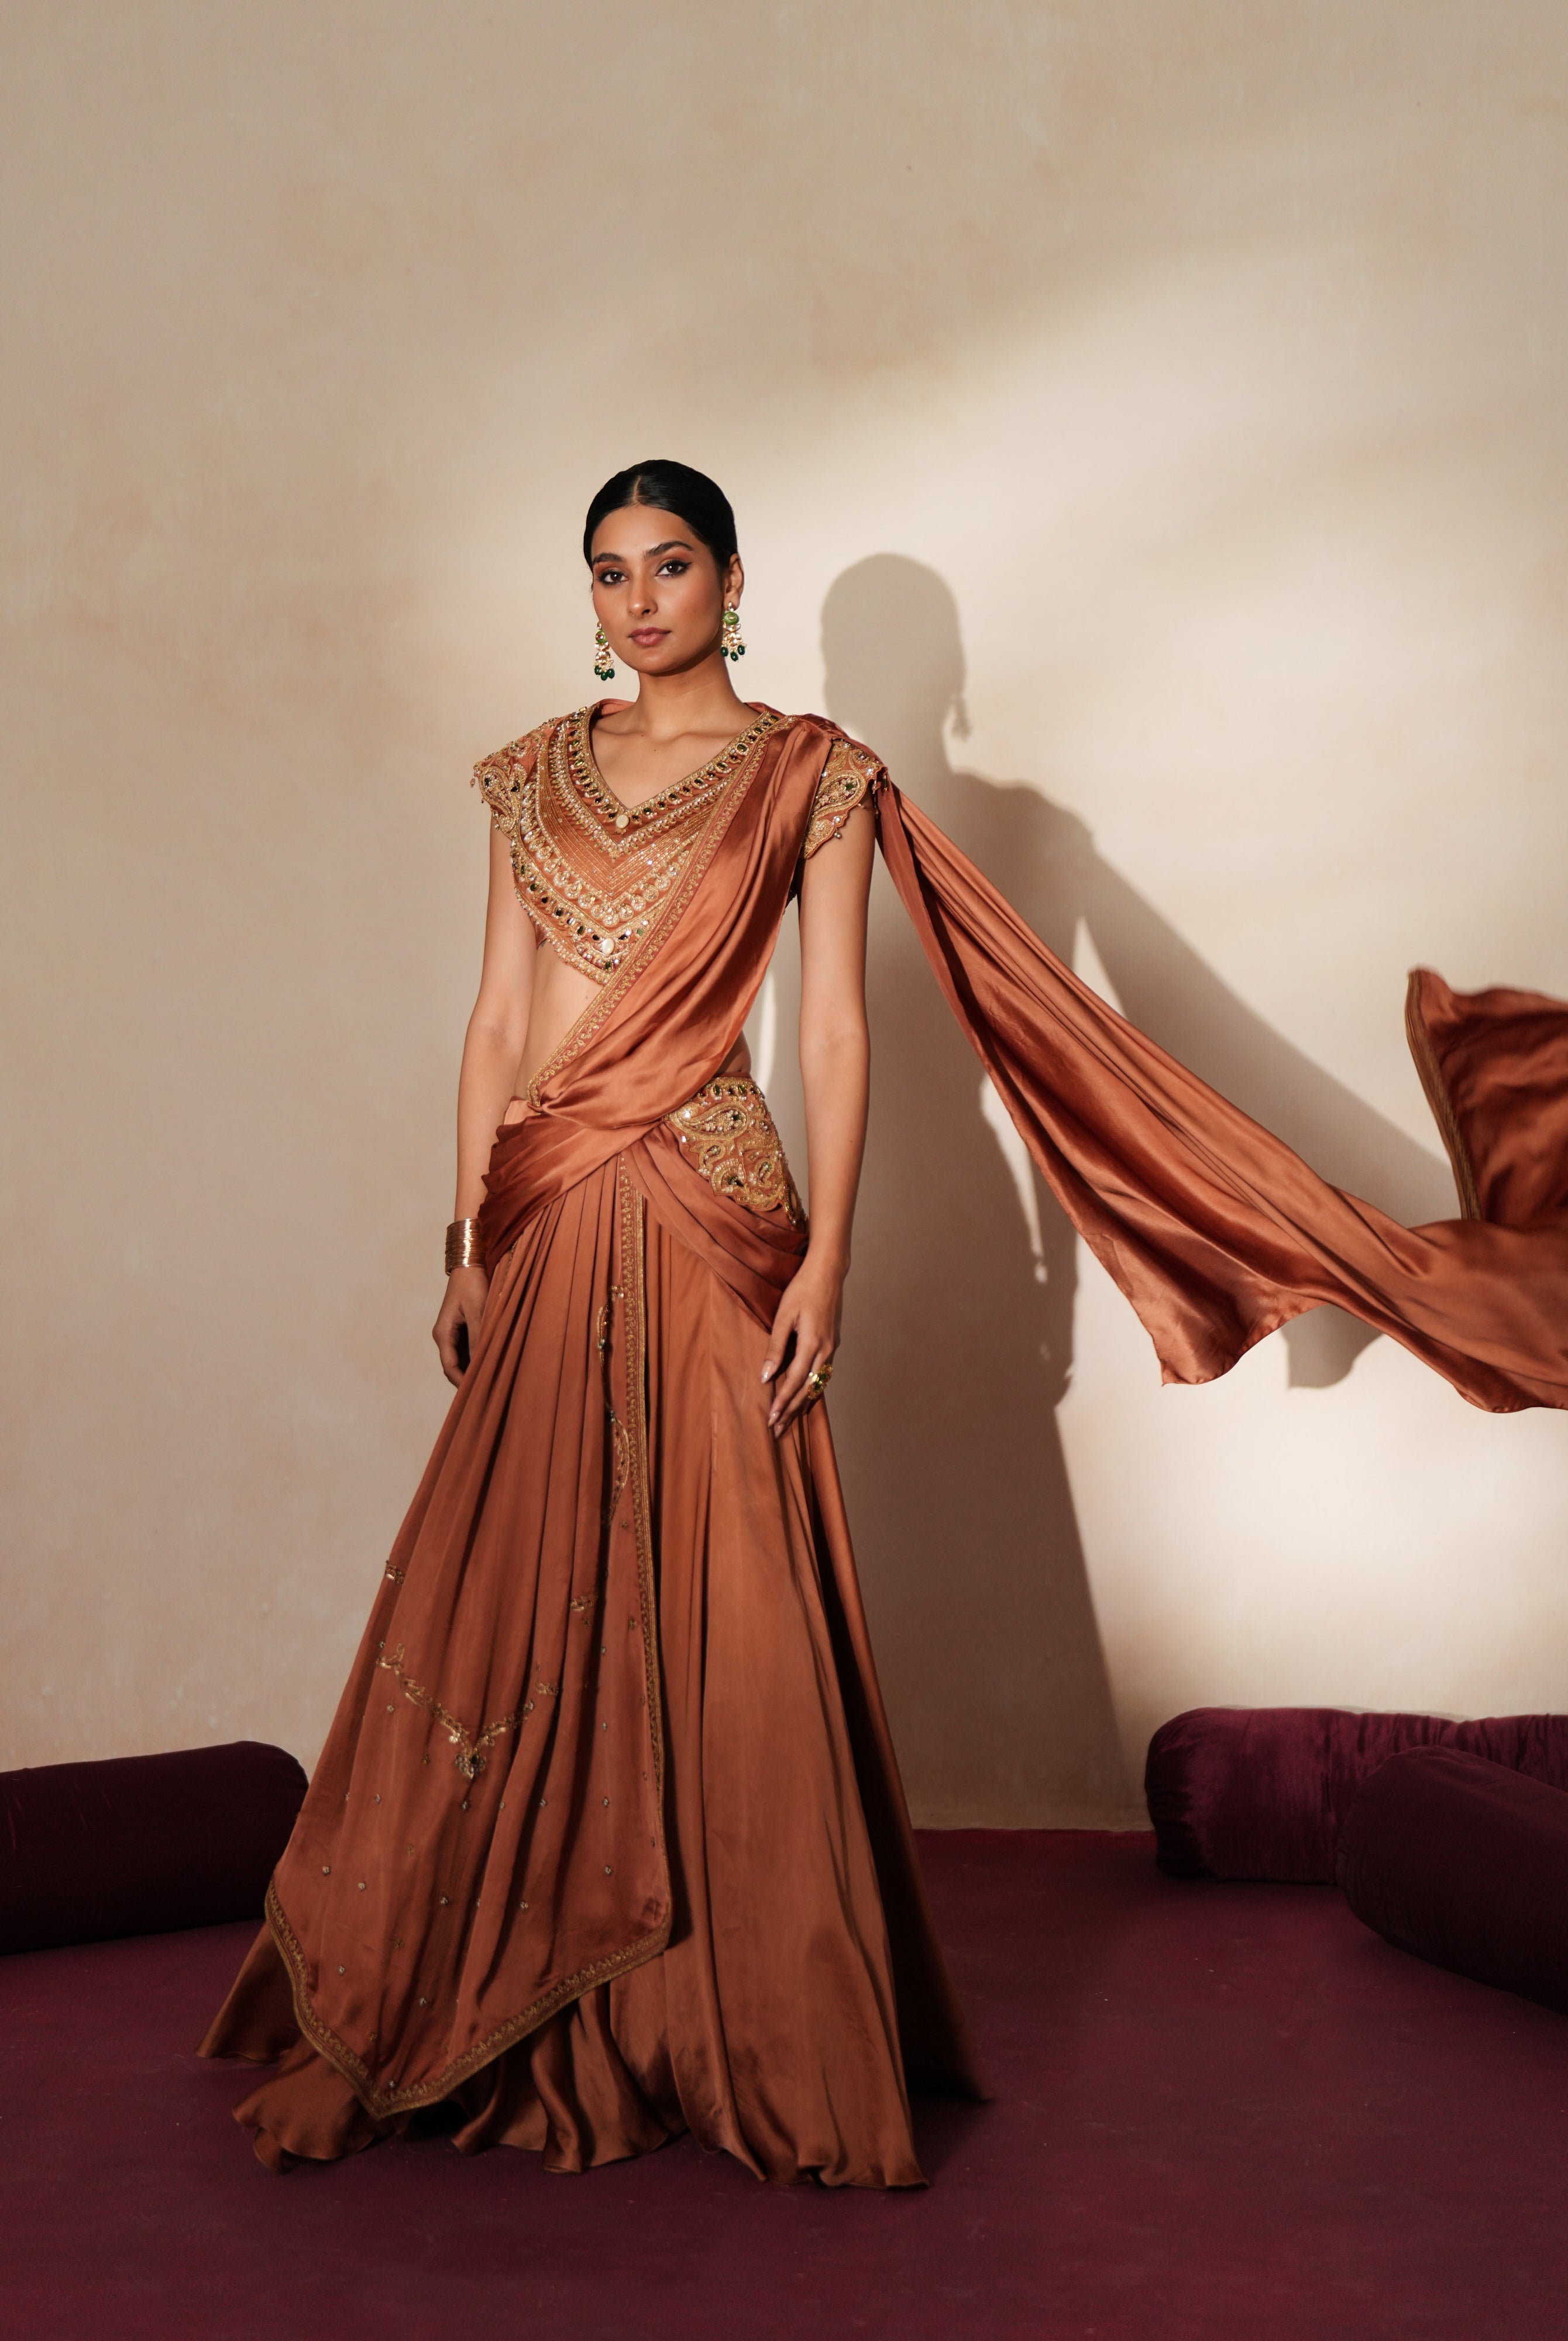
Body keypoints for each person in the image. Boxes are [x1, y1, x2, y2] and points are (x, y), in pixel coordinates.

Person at [202, 459, 1568, 2187]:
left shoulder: (813, 775)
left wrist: (829, 1261)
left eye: (670, 564)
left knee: (730, 1594)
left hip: (713, 1208)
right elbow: (496, 1017)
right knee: (516, 1580)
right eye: (610, 571)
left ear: (731, 579)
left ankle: (728, 2010)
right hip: (546, 1209)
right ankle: (508, 1979)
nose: (639, 599)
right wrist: (467, 1234)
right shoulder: (533, 771)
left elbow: (835, 1031)